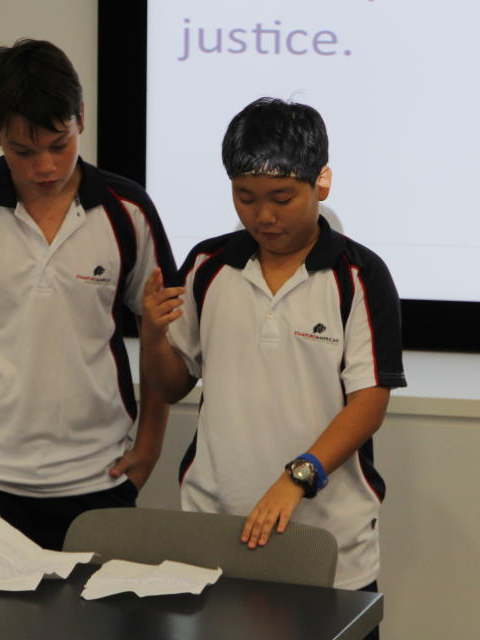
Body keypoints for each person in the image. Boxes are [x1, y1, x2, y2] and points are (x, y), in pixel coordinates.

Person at [0, 39, 177, 550]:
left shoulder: (128, 211)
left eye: (59, 143)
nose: (45, 165)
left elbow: (162, 333)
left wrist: (150, 444)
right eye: (23, 151)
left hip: (97, 478)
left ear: (81, 117)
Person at [140, 97, 406, 637]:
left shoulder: (359, 276)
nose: (263, 216)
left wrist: (298, 477)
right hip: (215, 530)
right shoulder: (207, 267)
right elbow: (172, 385)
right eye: (246, 198)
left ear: (321, 183)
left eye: (282, 198)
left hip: (330, 541)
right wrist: (151, 332)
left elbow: (370, 402)